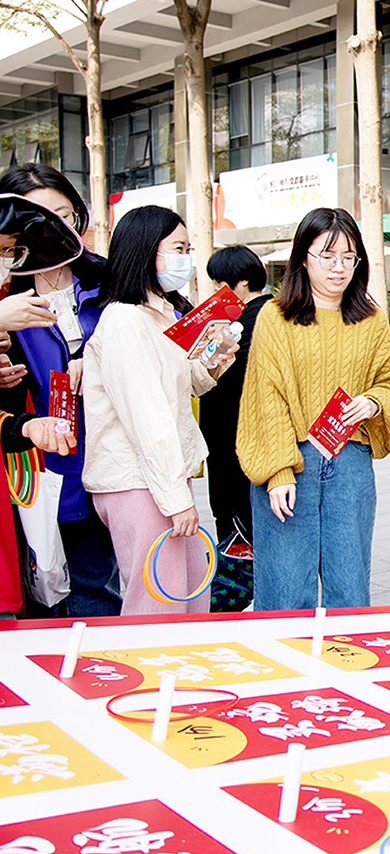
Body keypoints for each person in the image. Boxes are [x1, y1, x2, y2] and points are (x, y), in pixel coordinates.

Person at [237, 208, 390, 611]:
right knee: (284, 590)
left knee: (349, 588)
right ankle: (286, 670)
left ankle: (346, 668)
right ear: (303, 257)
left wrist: (372, 402)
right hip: (289, 461)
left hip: (349, 462)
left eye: (348, 257)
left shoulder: (369, 320)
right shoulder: (275, 317)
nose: (338, 268)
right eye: (327, 256)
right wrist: (278, 470)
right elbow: (266, 397)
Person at [82, 206, 239, 615]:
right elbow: (148, 418)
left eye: (188, 247)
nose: (187, 258)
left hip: (160, 478)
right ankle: (151, 679)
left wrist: (213, 359)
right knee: (157, 603)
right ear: (146, 250)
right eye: (178, 248)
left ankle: (181, 677)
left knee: (188, 594)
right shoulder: (125, 323)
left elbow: (181, 386)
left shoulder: (159, 314)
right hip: (138, 482)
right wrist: (175, 498)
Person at [1, 163, 121, 617]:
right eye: (34, 217)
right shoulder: (3, 289)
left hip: (102, 463)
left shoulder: (109, 281)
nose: (53, 228)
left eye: (63, 215)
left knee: (98, 590)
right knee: (34, 603)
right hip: (25, 470)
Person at [197, 245, 273, 545]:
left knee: (238, 520)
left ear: (241, 282)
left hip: (236, 439)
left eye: (219, 283)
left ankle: (240, 587)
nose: (216, 290)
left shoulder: (250, 323)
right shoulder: (253, 317)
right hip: (241, 439)